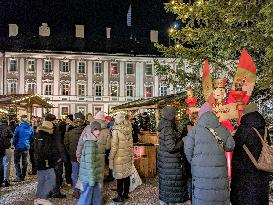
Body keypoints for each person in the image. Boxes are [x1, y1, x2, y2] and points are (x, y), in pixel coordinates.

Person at [184, 102, 235, 205]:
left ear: (201, 115)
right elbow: (231, 146)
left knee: (201, 197)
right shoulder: (223, 129)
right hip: (220, 172)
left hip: (200, 172)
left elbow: (187, 151)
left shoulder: (194, 131)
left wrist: (195, 163)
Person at [230, 103, 271, 205]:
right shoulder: (264, 129)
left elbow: (235, 145)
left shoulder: (244, 128)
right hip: (262, 172)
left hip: (245, 176)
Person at [157, 106, 189, 205]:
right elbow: (171, 147)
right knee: (171, 187)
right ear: (171, 115)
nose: (177, 117)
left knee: (167, 187)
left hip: (167, 162)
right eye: (175, 114)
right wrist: (183, 140)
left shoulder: (166, 125)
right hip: (170, 163)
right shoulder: (168, 128)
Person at [34, 114, 59, 205]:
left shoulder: (42, 133)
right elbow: (42, 150)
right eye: (53, 122)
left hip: (41, 161)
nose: (55, 124)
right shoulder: (44, 134)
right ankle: (42, 197)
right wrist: (48, 160)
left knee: (42, 180)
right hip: (45, 161)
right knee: (52, 179)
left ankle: (38, 198)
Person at [76, 121, 104, 205]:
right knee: (85, 197)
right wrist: (91, 179)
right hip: (89, 177)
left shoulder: (91, 141)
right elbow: (89, 163)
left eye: (99, 130)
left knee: (94, 194)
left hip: (92, 176)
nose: (98, 132)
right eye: (95, 130)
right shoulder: (90, 144)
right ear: (91, 130)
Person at [109, 113, 134, 202]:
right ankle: (126, 194)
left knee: (119, 177)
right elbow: (131, 144)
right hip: (127, 155)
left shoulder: (115, 130)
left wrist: (110, 157)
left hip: (119, 157)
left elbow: (114, 147)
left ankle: (119, 196)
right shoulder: (129, 129)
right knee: (126, 175)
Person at [64, 112, 86, 199]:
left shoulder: (69, 132)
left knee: (75, 173)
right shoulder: (87, 131)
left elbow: (66, 144)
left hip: (73, 156)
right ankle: (83, 191)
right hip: (84, 156)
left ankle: (76, 191)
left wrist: (70, 153)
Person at [13, 115, 34, 181]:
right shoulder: (30, 128)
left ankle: (18, 176)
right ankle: (24, 175)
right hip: (26, 146)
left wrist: (14, 144)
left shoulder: (18, 128)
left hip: (18, 146)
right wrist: (28, 143)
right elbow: (32, 137)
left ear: (21, 120)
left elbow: (15, 138)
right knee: (25, 161)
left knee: (17, 161)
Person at [0, 117, 12, 187]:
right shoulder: (8, 128)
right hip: (6, 147)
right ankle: (5, 180)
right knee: (6, 164)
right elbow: (11, 135)